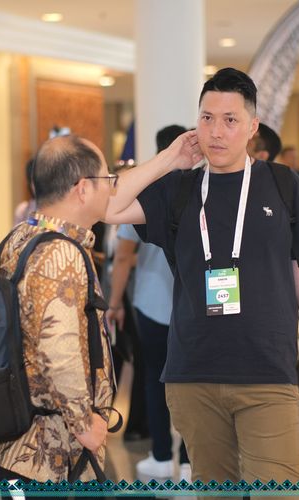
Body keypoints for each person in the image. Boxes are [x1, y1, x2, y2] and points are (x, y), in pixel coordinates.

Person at [103, 67, 299, 484]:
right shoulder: (179, 189)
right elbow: (107, 206)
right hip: (194, 376)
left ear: (252, 127)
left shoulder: (283, 184)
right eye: (207, 118)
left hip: (267, 373)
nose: (216, 131)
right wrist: (170, 159)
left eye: (230, 120)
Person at [0, 135, 119, 485]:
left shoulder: (22, 235)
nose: (111, 188)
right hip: (50, 456)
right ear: (83, 189)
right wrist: (84, 424)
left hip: (18, 442)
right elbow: (57, 348)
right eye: (107, 179)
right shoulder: (61, 254)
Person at [106, 124, 190, 480]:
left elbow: (124, 256)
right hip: (191, 309)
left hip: (152, 306)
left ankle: (160, 455)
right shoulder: (197, 187)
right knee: (192, 385)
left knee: (155, 381)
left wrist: (114, 303)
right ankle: (188, 460)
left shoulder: (146, 191)